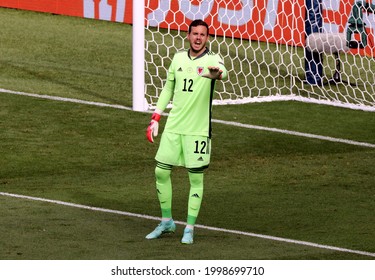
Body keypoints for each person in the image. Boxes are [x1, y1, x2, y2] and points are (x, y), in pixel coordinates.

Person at [145, 19, 228, 244]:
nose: (198, 38)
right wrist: (156, 117)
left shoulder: (213, 59)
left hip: (198, 131)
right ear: (188, 36)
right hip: (174, 126)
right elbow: (168, 87)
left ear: (207, 38)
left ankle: (189, 228)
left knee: (195, 178)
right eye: (195, 34)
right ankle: (167, 222)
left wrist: (216, 74)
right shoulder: (178, 58)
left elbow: (224, 73)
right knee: (161, 172)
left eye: (203, 34)